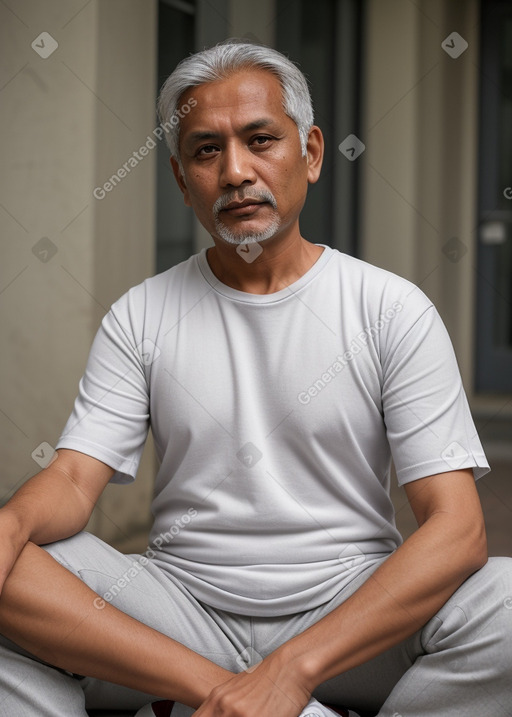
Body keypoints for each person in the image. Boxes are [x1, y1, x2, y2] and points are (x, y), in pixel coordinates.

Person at [0, 39, 511, 717]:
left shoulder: (390, 308)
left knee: (504, 605)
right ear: (183, 180)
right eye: (206, 150)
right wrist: (8, 524)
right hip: (177, 611)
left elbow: (457, 529)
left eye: (260, 139)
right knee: (18, 573)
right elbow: (70, 480)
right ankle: (217, 694)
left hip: (351, 619)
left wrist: (294, 670)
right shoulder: (142, 313)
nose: (236, 170)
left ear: (313, 153)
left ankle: (249, 700)